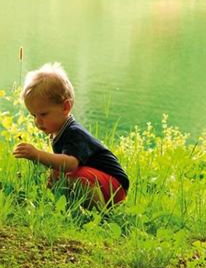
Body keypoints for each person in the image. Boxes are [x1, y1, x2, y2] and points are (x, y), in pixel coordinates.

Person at [12, 62, 129, 208]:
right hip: (102, 183)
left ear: (65, 107)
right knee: (57, 174)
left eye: (43, 114)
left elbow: (70, 164)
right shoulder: (59, 132)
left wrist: (37, 154)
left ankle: (99, 215)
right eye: (34, 115)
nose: (37, 121)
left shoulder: (74, 132)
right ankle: (68, 207)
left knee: (74, 174)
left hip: (115, 187)